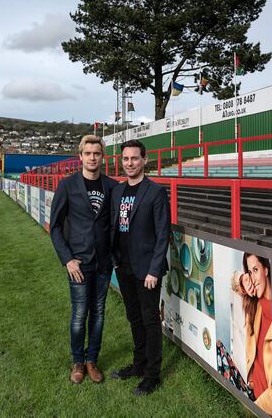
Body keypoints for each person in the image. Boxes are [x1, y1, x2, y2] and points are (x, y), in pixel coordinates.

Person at [50, 135, 118, 384]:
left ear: (102, 156)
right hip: (78, 263)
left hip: (102, 263)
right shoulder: (67, 185)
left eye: (96, 153)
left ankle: (92, 360)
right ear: (80, 156)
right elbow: (55, 226)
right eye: (87, 153)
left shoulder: (112, 186)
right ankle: (77, 361)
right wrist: (67, 259)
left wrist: (114, 255)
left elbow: (116, 224)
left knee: (98, 313)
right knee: (80, 313)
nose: (92, 157)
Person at [109, 139, 170, 396]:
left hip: (147, 270)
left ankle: (152, 375)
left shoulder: (155, 191)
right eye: (125, 159)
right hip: (123, 266)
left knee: (150, 320)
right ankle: (139, 364)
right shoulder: (117, 191)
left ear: (144, 160)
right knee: (134, 318)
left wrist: (154, 270)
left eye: (134, 158)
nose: (130, 163)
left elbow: (162, 233)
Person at [230, 253, 272, 415]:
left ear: (267, 269)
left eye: (256, 270)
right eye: (250, 272)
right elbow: (232, 281)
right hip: (250, 391)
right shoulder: (255, 302)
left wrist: (254, 408)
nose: (253, 278)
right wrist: (243, 279)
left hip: (265, 403)